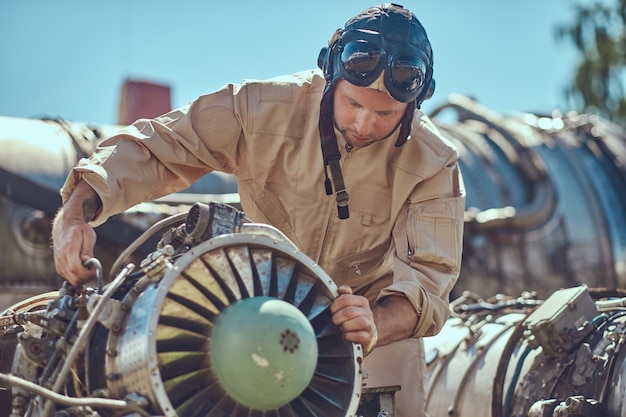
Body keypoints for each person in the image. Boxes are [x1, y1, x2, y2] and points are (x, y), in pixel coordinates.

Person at [51, 4, 465, 417]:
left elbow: (429, 283)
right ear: (329, 75)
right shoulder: (258, 107)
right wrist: (76, 212)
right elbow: (160, 146)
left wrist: (375, 322)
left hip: (370, 336)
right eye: (352, 103)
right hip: (256, 316)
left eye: (386, 114)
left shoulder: (434, 163)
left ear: (415, 104)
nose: (362, 123)